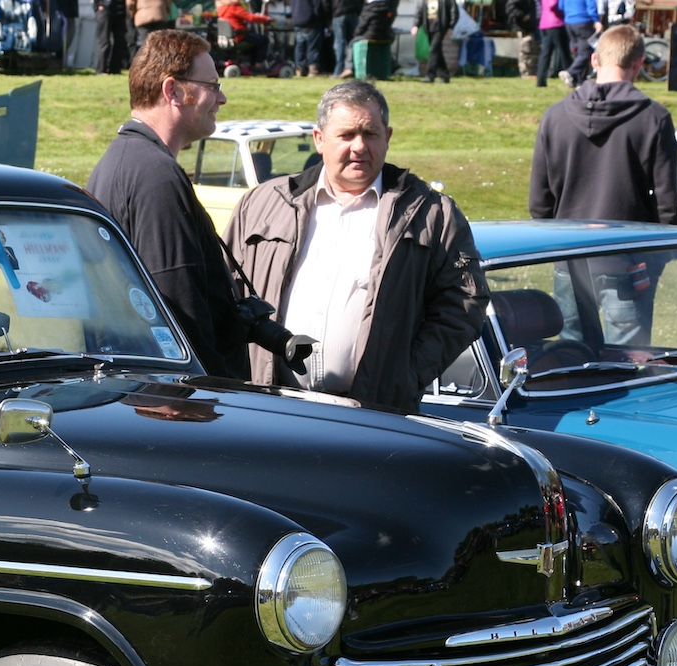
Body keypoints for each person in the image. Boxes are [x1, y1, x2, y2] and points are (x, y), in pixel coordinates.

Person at [223, 80, 488, 411]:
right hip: (272, 408)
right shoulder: (265, 203)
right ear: (319, 140)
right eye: (347, 135)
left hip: (374, 415)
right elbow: (224, 290)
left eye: (370, 134)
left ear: (388, 138)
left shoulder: (432, 213)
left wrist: (407, 374)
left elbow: (464, 304)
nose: (359, 146)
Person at [87, 29, 247, 377]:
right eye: (213, 86)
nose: (222, 100)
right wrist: (216, 396)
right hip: (181, 405)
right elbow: (180, 305)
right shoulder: (155, 175)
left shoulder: (118, 161)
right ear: (173, 90)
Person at [529, 25, 677, 223]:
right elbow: (666, 203)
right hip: (630, 246)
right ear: (639, 64)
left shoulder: (554, 118)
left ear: (594, 60)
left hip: (567, 245)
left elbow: (540, 204)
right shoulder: (654, 119)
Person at [412, 0, 456, 83]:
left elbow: (454, 12)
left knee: (433, 50)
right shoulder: (424, 1)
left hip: (440, 27)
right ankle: (445, 75)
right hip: (428, 27)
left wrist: (451, 27)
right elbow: (420, 12)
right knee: (437, 52)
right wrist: (416, 25)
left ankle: (430, 75)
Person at [560, 0, 596, 85]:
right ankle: (571, 72)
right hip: (583, 21)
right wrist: (596, 20)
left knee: (576, 51)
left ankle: (578, 80)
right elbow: (591, 6)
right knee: (586, 52)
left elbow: (561, 6)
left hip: (569, 22)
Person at [536, 0, 569, 89]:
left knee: (545, 54)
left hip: (545, 23)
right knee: (564, 53)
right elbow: (553, 4)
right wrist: (563, 13)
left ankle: (540, 81)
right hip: (556, 23)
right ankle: (572, 77)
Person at [95, 0, 130, 73]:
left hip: (120, 10)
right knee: (104, 42)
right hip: (105, 7)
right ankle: (102, 69)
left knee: (120, 41)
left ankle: (115, 69)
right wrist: (99, 4)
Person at [332, 0, 363, 77]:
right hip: (353, 12)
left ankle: (338, 70)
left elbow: (326, 3)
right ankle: (349, 68)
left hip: (338, 12)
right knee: (352, 43)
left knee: (340, 44)